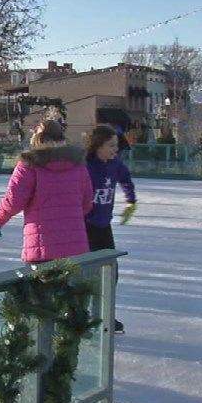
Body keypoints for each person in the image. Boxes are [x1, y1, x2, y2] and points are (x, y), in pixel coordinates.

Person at [0, 120, 94, 264]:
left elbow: (13, 200)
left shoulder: (28, 165)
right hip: (75, 246)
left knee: (41, 285)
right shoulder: (78, 165)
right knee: (72, 286)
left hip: (42, 248)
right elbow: (87, 202)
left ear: (36, 138)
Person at [85, 124, 137, 334]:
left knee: (110, 273)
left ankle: (104, 315)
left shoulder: (115, 165)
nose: (116, 149)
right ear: (98, 146)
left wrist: (131, 202)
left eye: (116, 145)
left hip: (103, 226)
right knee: (85, 274)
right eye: (111, 145)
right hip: (84, 226)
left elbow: (126, 180)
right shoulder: (85, 166)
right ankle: (80, 316)